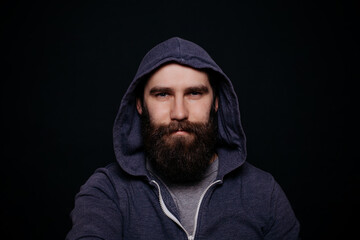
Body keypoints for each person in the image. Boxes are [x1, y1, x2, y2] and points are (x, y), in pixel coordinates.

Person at [66, 37, 300, 240]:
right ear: (139, 105)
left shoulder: (263, 193)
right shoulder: (108, 191)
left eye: (194, 93)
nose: (179, 112)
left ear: (216, 102)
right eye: (162, 94)